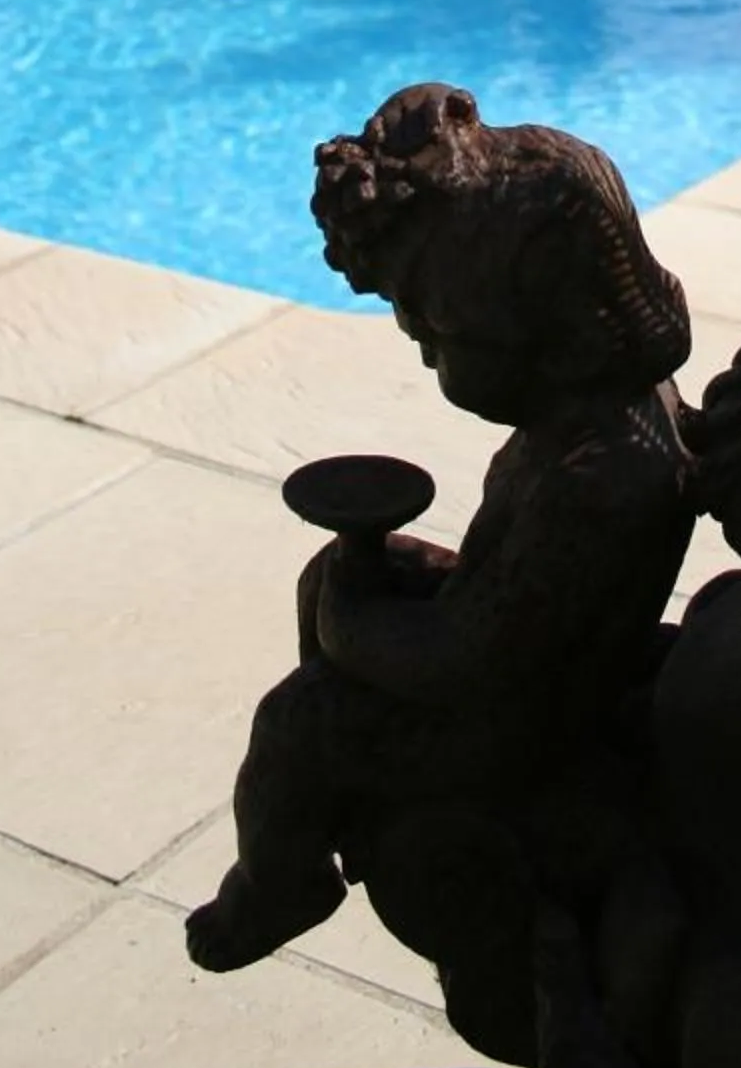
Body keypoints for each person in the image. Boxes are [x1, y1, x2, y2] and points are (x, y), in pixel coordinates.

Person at [185, 82, 697, 974]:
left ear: (546, 327)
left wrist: (358, 628)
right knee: (334, 575)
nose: (422, 345)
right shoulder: (595, 423)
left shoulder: (603, 475)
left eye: (439, 329)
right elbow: (510, 596)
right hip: (530, 642)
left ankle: (280, 878)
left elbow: (471, 658)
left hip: (520, 721)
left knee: (300, 722)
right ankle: (357, 786)